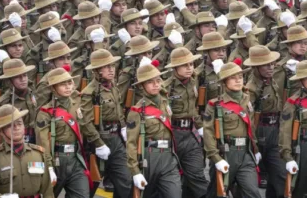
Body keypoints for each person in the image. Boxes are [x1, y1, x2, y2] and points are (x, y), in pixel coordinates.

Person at [203, 62, 261, 198]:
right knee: (217, 193)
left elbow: (251, 128)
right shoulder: (215, 104)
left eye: (240, 77)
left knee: (252, 192)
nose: (238, 80)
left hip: (246, 154)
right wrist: (216, 158)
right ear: (224, 82)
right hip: (226, 153)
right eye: (233, 77)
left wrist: (255, 150)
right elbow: (208, 133)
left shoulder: (247, 100)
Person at [79, 49, 132, 197]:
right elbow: (85, 122)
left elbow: (118, 110)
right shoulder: (90, 92)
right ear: (97, 71)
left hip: (116, 139)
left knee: (125, 181)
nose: (111, 69)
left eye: (112, 66)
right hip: (99, 140)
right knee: (90, 184)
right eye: (106, 66)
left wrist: (123, 127)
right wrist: (99, 143)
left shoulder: (113, 87)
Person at [126, 60, 182, 198]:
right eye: (150, 82)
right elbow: (131, 143)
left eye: (158, 80)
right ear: (142, 86)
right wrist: (135, 171)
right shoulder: (137, 111)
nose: (156, 84)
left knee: (175, 194)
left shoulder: (164, 101)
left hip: (168, 157)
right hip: (149, 158)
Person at [36, 67, 90, 198]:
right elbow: (43, 143)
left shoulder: (77, 105)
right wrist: (49, 167)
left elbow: (86, 127)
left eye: (70, 83)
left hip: (76, 158)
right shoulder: (45, 113)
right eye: (62, 84)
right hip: (56, 160)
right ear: (53, 88)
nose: (68, 87)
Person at [0, 104, 54, 198]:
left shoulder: (39, 154)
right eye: (10, 125)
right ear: (1, 132)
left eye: (19, 123)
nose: (16, 128)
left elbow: (47, 190)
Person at [164, 47, 209, 198]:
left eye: (191, 64)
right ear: (175, 67)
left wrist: (201, 127)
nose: (190, 68)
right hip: (173, 134)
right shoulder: (166, 87)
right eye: (185, 65)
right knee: (173, 180)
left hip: (191, 133)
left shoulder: (194, 80)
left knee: (197, 175)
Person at [244, 45, 286, 197]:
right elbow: (248, 117)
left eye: (272, 63)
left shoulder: (270, 80)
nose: (271, 67)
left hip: (275, 130)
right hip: (260, 131)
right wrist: (254, 146)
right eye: (266, 64)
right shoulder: (252, 88)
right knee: (250, 180)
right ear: (256, 67)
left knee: (280, 176)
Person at [279, 60, 307, 198]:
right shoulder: (293, 102)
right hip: (304, 147)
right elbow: (285, 131)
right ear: (301, 81)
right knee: (299, 186)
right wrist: (287, 156)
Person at [0, 59, 36, 151]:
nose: (23, 79)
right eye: (17, 77)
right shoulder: (1, 104)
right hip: (11, 149)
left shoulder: (33, 95)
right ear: (9, 81)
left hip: (33, 147)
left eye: (25, 75)